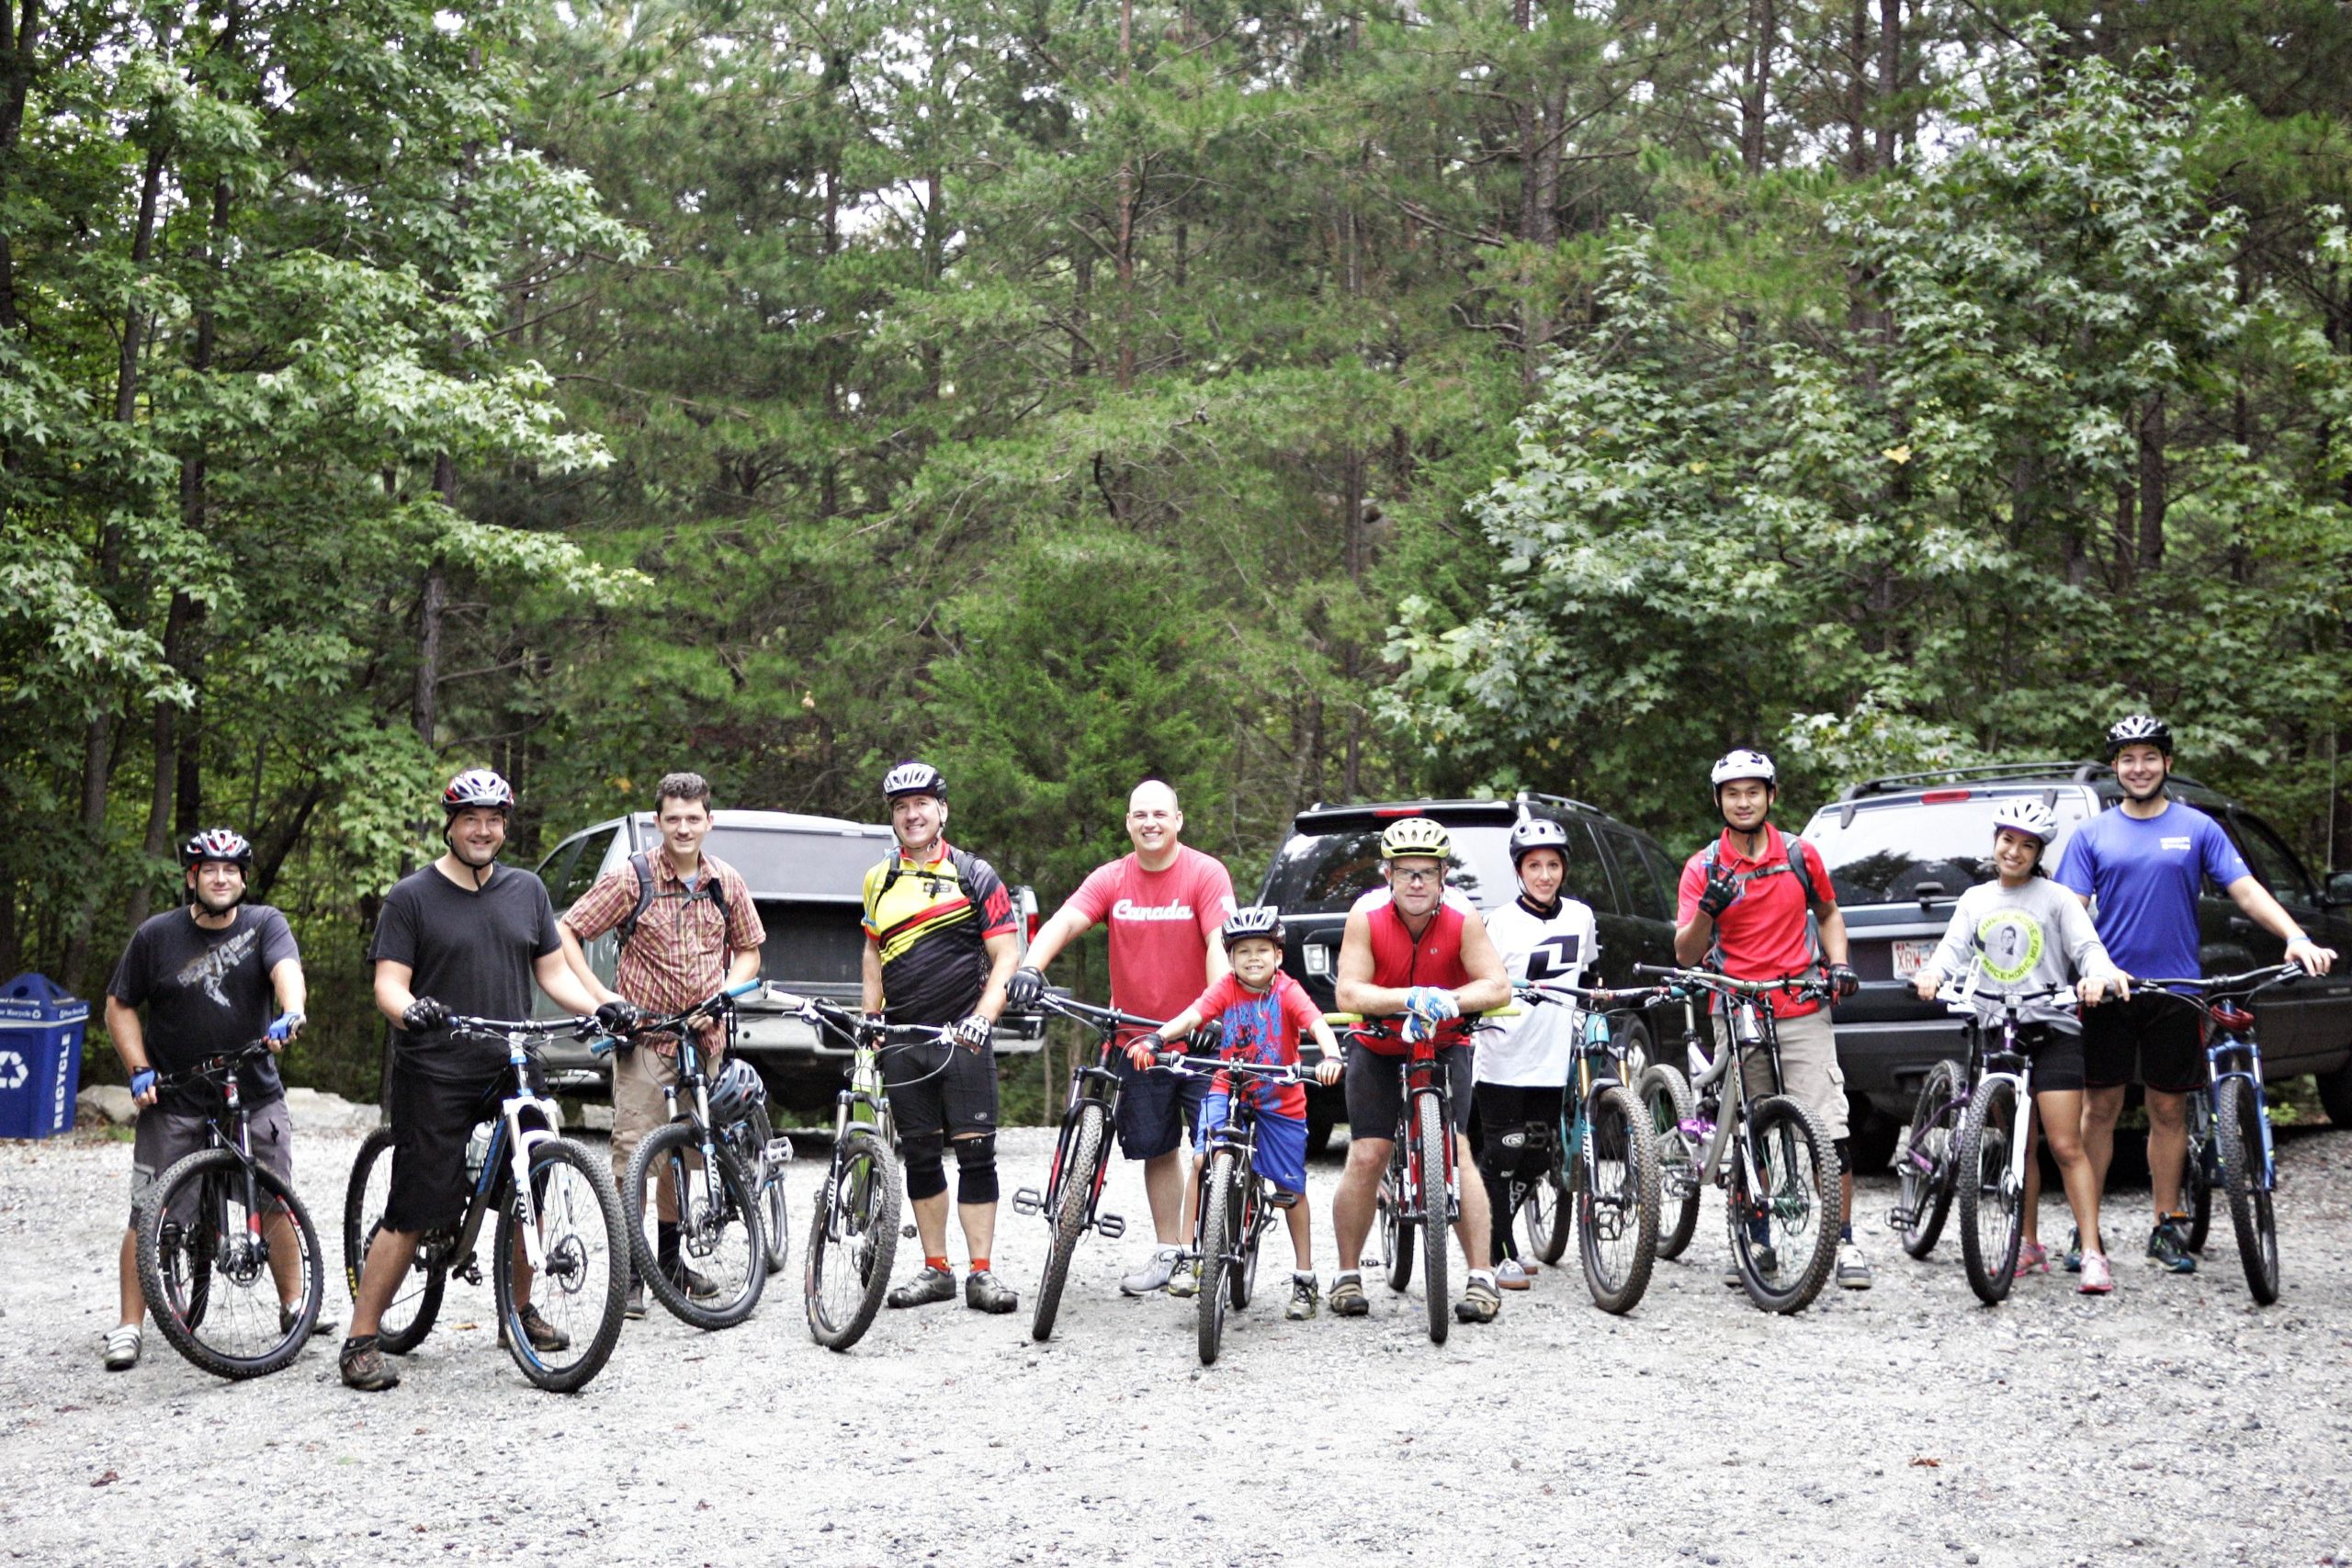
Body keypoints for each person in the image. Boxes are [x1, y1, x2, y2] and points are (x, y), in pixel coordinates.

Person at [342, 769, 628, 1392]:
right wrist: (409, 1007)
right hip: (436, 1065)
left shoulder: (525, 890)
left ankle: (517, 1313)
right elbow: (388, 982)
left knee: (537, 1179)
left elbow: (553, 973)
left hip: (511, 1059)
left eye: (494, 819)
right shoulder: (411, 896)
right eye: (471, 818)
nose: (483, 829)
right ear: (450, 824)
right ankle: (361, 1338)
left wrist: (597, 1005)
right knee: (416, 1206)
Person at [2054, 715, 2338, 1274]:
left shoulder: (2197, 827)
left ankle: (2166, 1223)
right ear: (2115, 768)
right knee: (2101, 1108)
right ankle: (2085, 1229)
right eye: (2128, 759)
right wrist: (2073, 968)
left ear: (2168, 764)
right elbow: (2069, 912)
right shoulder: (2091, 835)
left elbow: (2246, 890)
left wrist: (2296, 935)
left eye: (2150, 758)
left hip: (2179, 988)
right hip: (2109, 987)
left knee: (2167, 1106)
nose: (2139, 768)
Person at [1003, 779, 1238, 1296]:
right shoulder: (1113, 878)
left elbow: (1220, 942)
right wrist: (1031, 967)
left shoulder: (1204, 872)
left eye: (1160, 814)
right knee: (1158, 1150)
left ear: (1179, 820)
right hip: (1137, 1041)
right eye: (1140, 815)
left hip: (1202, 1037)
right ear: (1129, 823)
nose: (1150, 823)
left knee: (1212, 1149)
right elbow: (1065, 921)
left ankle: (1209, 1254)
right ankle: (1170, 1252)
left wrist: (1213, 1010)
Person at [101, 829, 315, 1371]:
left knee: (275, 1200)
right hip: (174, 1095)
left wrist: (290, 1011)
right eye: (209, 869)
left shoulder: (266, 923)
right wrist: (138, 1068)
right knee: (150, 1210)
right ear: (192, 878)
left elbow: (286, 971)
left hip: (253, 1088)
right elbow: (118, 1007)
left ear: (243, 879)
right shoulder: (155, 936)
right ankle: (129, 1325)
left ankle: (295, 1306)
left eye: (232, 870)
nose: (221, 878)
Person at [557, 772, 766, 1319]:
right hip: (646, 1039)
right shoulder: (633, 879)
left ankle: (671, 1265)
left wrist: (725, 990)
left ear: (709, 822)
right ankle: (631, 1277)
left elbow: (749, 950)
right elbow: (568, 931)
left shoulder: (726, 881)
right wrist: (601, 995)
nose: (683, 828)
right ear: (657, 822)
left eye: (693, 818)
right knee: (635, 1159)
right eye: (673, 818)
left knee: (685, 1156)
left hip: (706, 1039)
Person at [1911, 800, 2132, 1292]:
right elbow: (1952, 949)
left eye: (2027, 845)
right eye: (2007, 840)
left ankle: (2093, 1251)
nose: (2014, 851)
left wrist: (2099, 976)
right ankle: (2026, 1244)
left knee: (2065, 1144)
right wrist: (1933, 972)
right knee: (2018, 1144)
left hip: (2050, 1030)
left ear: (2038, 853)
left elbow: (2088, 948)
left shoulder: (2055, 899)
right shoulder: (1975, 899)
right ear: (1995, 843)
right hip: (1997, 1029)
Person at [1672, 750, 1871, 1290]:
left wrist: (1840, 964)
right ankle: (1757, 1239)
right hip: (1736, 1007)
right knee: (1752, 1127)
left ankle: (1846, 1242)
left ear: (1771, 796)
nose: (1743, 801)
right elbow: (1686, 954)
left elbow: (1828, 914)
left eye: (1753, 791)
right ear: (1719, 801)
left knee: (1831, 1130)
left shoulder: (1801, 855)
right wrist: (1708, 910)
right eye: (1732, 793)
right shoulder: (1703, 865)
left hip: (1801, 1003)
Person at [1327, 818, 1514, 1325]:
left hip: (1444, 1040)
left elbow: (1497, 986)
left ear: (1442, 875)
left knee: (1457, 1152)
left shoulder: (1462, 915)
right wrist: (1406, 998)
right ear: (1387, 874)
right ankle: (1347, 1274)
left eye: (1426, 873)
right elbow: (1349, 993)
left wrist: (1449, 1000)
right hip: (1379, 1041)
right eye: (1405, 872)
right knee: (1368, 1152)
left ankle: (1481, 1277)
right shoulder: (1365, 915)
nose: (1415, 883)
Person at [1127, 907, 1344, 1318]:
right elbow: (1193, 1015)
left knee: (1290, 1189)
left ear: (1278, 955)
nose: (1253, 958)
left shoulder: (1287, 990)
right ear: (1230, 958)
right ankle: (1189, 1256)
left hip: (1279, 1096)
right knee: (1200, 1157)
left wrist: (1331, 1055)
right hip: (1229, 1088)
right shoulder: (1226, 987)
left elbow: (1316, 1023)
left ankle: (1304, 1278)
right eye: (1243, 951)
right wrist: (1157, 1039)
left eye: (1263, 949)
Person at [862, 761, 1023, 1314]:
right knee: (922, 1157)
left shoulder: (975, 874)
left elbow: (1007, 954)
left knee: (977, 1157)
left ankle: (982, 1272)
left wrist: (985, 1015)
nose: (911, 814)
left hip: (964, 1035)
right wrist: (871, 1019)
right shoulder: (878, 879)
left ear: (942, 811)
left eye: (921, 804)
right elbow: (872, 953)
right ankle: (936, 1269)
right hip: (904, 1037)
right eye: (901, 807)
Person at [1474, 817, 1602, 1291]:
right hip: (1503, 1056)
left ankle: (1502, 1235)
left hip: (1552, 1059)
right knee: (1502, 1154)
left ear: (1564, 869)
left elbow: (1588, 973)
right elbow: (1481, 982)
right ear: (1519, 871)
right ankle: (1498, 1251)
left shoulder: (1581, 916)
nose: (1544, 875)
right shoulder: (1498, 922)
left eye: (1552, 865)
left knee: (1535, 1156)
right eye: (1534, 866)